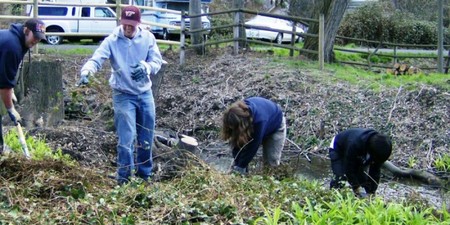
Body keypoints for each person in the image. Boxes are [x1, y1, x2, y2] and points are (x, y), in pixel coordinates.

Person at [78, 5, 163, 185]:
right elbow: (97, 59)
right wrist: (86, 72)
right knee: (126, 138)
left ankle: (144, 176)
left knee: (146, 137)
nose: (127, 28)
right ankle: (124, 179)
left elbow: (156, 61)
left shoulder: (148, 38)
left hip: (145, 94)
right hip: (123, 94)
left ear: (138, 24)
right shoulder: (112, 40)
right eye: (125, 24)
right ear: (121, 22)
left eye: (131, 25)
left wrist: (146, 67)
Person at [0, 19, 46, 155]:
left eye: (39, 38)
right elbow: (4, 85)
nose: (36, 41)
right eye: (35, 37)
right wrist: (10, 109)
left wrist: (10, 88)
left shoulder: (19, 41)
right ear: (26, 31)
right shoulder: (12, 46)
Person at [221, 97, 286, 174]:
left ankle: (271, 180)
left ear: (241, 124)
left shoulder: (259, 121)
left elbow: (253, 146)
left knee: (271, 163)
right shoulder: (235, 114)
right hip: (258, 120)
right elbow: (237, 145)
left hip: (276, 126)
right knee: (238, 164)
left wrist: (241, 166)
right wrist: (237, 164)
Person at [328, 128, 392, 198]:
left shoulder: (380, 148)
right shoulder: (355, 144)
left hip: (358, 152)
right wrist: (356, 187)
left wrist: (372, 192)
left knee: (363, 180)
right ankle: (332, 196)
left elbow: (375, 171)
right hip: (337, 147)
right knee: (340, 177)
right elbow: (349, 168)